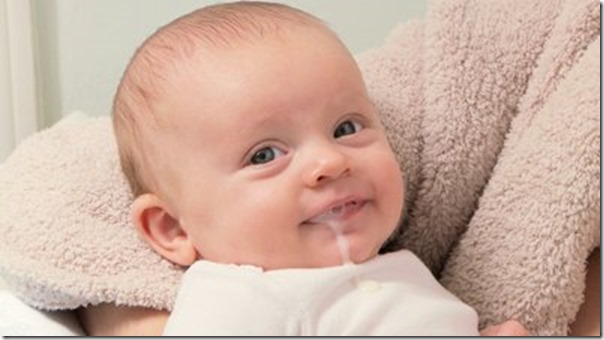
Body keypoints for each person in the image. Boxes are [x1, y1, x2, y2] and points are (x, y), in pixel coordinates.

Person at [107, 1, 484, 336]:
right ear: (173, 228)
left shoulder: (396, 267)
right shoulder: (239, 296)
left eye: (345, 129)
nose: (331, 162)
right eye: (265, 155)